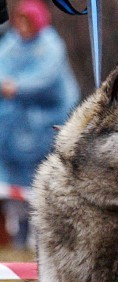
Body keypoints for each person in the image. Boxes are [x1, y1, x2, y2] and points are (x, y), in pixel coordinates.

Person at [0, 0, 80, 247]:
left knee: (46, 175)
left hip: (49, 123)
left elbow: (45, 77)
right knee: (14, 181)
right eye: (20, 21)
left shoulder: (50, 44)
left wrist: (17, 87)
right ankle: (20, 229)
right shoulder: (12, 42)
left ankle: (46, 232)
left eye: (27, 22)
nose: (23, 27)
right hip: (16, 128)